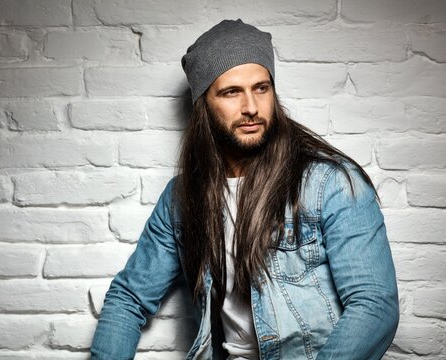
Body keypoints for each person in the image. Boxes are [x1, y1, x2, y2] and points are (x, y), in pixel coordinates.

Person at [91, 19, 399, 360]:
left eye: (261, 88)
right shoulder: (182, 199)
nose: (251, 106)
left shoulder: (330, 183)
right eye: (231, 92)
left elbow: (374, 306)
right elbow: (129, 297)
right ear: (204, 104)